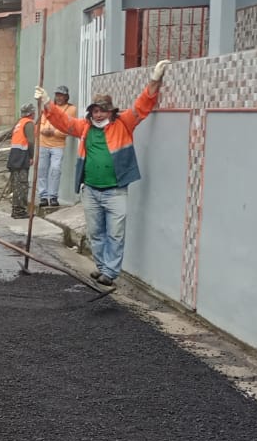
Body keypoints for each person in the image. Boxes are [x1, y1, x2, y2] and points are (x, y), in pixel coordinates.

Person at [35, 59, 170, 286]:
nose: (98, 115)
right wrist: (47, 103)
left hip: (115, 191)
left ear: (110, 111)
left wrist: (155, 80)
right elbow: (63, 122)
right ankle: (102, 267)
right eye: (95, 111)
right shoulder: (84, 127)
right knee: (96, 233)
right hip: (90, 190)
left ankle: (110, 272)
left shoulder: (124, 123)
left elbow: (142, 105)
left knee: (115, 233)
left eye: (102, 111)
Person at [36, 85, 78, 208]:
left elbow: (69, 128)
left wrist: (55, 132)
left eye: (61, 95)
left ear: (66, 97)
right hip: (43, 143)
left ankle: (53, 196)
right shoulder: (48, 107)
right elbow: (41, 123)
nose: (59, 97)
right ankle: (43, 196)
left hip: (58, 145)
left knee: (55, 169)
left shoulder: (71, 109)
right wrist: (43, 130)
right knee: (42, 170)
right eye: (57, 95)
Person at [5, 102, 35, 219]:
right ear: (31, 113)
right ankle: (19, 211)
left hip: (14, 156)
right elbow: (31, 141)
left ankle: (16, 210)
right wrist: (31, 156)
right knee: (22, 185)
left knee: (17, 184)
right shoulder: (28, 123)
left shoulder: (19, 123)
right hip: (22, 156)